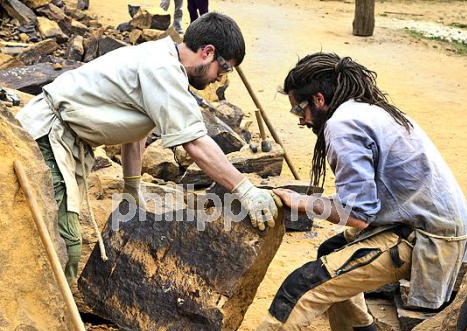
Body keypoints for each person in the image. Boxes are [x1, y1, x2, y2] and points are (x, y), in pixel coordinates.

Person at [227, 52, 467, 331]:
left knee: (302, 289)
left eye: (298, 108)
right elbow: (364, 201)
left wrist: (301, 202)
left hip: (425, 236)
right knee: (332, 252)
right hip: (420, 222)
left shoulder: (342, 125)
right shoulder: (362, 111)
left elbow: (358, 215)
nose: (300, 119)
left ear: (319, 99)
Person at [15, 12, 280, 285]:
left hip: (65, 140)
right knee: (63, 246)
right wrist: (245, 189)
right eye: (223, 69)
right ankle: (39, 316)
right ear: (208, 52)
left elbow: (135, 132)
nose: (219, 79)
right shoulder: (162, 69)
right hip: (48, 137)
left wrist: (132, 185)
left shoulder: (162, 59)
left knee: (54, 238)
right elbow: (194, 142)